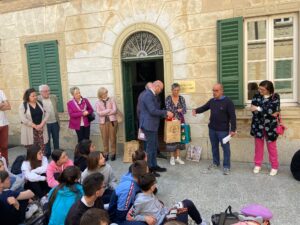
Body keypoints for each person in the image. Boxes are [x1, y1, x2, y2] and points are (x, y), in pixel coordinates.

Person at [126, 173, 208, 225]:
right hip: (163, 222)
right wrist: (145, 218)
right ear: (151, 187)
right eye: (154, 183)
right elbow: (129, 217)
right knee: (181, 220)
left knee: (188, 203)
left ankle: (200, 222)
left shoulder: (149, 193)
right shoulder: (140, 201)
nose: (155, 184)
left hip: (167, 215)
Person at [192, 83, 237, 175]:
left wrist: (233, 129)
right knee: (214, 147)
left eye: (216, 90)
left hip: (223, 131)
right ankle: (215, 163)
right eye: (213, 90)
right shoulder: (212, 101)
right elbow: (204, 107)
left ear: (221, 91)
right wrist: (196, 110)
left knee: (225, 148)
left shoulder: (228, 102)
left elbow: (233, 116)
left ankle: (226, 166)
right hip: (212, 129)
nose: (214, 92)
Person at [139, 80, 173, 177]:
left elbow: (156, 110)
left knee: (153, 146)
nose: (160, 91)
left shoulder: (153, 95)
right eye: (161, 89)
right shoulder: (148, 95)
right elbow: (152, 110)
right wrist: (166, 113)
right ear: (157, 86)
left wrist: (163, 114)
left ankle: (154, 165)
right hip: (148, 125)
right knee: (150, 148)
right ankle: (149, 169)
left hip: (153, 125)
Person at [250, 80, 280, 176]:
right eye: (259, 88)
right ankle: (258, 164)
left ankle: (274, 166)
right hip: (258, 125)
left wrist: (258, 108)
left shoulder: (275, 97)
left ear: (268, 90)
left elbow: (273, 111)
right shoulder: (256, 95)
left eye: (262, 89)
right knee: (258, 147)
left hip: (270, 127)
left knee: (272, 147)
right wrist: (267, 112)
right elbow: (252, 109)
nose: (260, 90)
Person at [108, 160, 148, 224]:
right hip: (117, 218)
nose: (148, 176)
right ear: (141, 177)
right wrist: (143, 218)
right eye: (147, 174)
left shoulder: (133, 176)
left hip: (127, 208)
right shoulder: (128, 189)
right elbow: (121, 215)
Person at [19, 88, 49, 153]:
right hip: (30, 130)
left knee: (42, 149)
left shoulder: (40, 103)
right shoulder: (23, 105)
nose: (35, 97)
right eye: (33, 96)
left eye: (36, 95)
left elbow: (47, 114)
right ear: (28, 97)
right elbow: (23, 118)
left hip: (41, 130)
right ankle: (33, 162)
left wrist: (42, 124)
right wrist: (35, 126)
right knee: (32, 150)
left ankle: (41, 162)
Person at [165, 83, 187, 166]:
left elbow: (185, 110)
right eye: (175, 90)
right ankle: (172, 158)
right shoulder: (168, 98)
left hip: (180, 121)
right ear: (172, 90)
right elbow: (168, 109)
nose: (176, 92)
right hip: (171, 122)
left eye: (178, 90)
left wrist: (181, 110)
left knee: (179, 140)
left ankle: (178, 157)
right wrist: (177, 110)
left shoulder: (181, 98)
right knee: (171, 139)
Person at [95, 87, 118, 161]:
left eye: (106, 92)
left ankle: (113, 153)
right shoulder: (98, 102)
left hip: (112, 122)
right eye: (104, 93)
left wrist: (104, 112)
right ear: (101, 94)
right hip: (103, 123)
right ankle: (106, 153)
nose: (106, 94)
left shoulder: (112, 100)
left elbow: (114, 110)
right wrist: (108, 110)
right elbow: (99, 113)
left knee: (113, 138)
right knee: (104, 138)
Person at [38, 84, 60, 158]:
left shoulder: (54, 97)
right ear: (40, 92)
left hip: (55, 122)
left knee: (56, 138)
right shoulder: (38, 99)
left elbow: (56, 107)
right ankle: (47, 154)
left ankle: (57, 153)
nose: (48, 92)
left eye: (48, 91)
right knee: (46, 140)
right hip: (45, 123)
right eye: (45, 91)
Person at [0, 89, 11, 164]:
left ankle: (5, 164)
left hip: (4, 123)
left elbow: (9, 106)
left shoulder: (1, 92)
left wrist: (2, 105)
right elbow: (5, 105)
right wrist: (2, 104)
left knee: (4, 146)